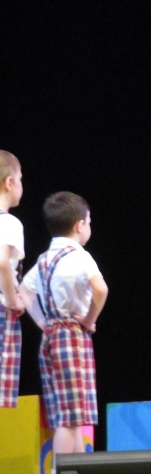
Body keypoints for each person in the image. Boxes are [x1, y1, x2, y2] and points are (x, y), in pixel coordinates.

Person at [20, 191, 108, 458]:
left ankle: (77, 468)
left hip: (52, 336)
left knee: (71, 414)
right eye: (89, 222)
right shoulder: (80, 256)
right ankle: (59, 470)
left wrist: (44, 323)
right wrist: (89, 320)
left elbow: (24, 290)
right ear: (79, 225)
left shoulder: (44, 259)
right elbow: (101, 289)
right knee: (69, 420)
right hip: (71, 336)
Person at [0, 150, 26, 408]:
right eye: (20, 179)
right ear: (9, 182)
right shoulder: (9, 223)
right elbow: (1, 262)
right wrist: (12, 299)